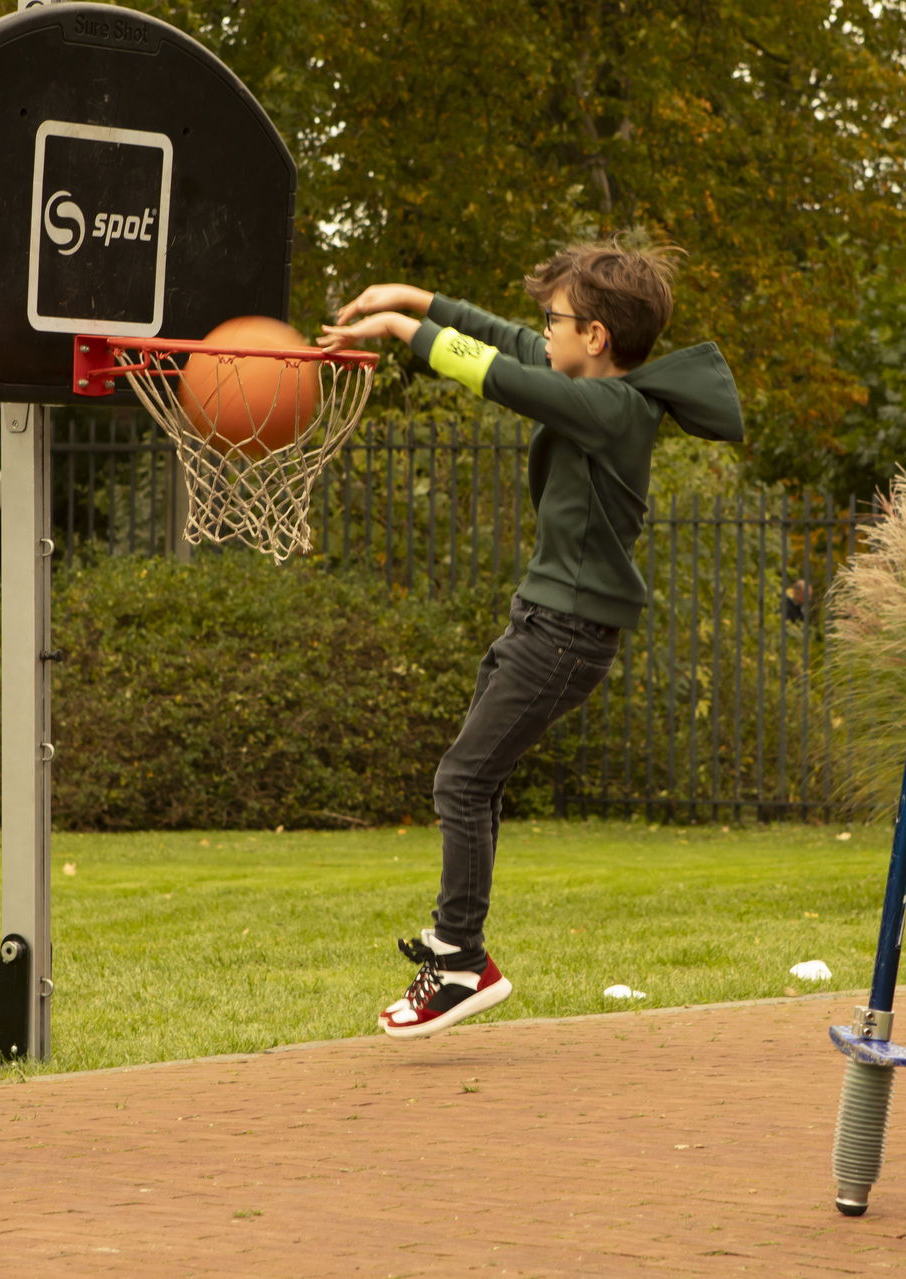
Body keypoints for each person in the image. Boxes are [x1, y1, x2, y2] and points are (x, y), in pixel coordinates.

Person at [319, 239, 744, 1040]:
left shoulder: (612, 409)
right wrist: (416, 297)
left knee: (463, 780)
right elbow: (508, 344)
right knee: (473, 782)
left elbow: (503, 375)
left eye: (553, 319)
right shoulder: (588, 382)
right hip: (545, 621)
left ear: (596, 338)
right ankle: (460, 957)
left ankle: (459, 963)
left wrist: (400, 331)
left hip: (566, 632)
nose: (538, 330)